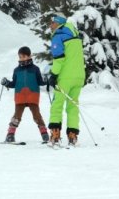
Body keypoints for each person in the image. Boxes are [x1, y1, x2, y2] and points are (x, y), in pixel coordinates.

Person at [47, 15, 86, 146]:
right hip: (79, 76)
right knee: (73, 106)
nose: (50, 26)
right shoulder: (75, 36)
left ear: (58, 24)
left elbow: (59, 59)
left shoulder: (58, 36)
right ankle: (72, 136)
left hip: (65, 77)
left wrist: (53, 74)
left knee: (57, 105)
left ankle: (55, 136)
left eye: (52, 23)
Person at [0, 46, 50, 143]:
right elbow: (14, 84)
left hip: (33, 95)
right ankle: (10, 135)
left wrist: (46, 80)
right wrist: (6, 83)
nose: (21, 59)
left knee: (37, 115)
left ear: (29, 56)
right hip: (20, 96)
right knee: (16, 116)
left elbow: (40, 82)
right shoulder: (17, 70)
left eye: (23, 56)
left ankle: (44, 134)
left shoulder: (35, 69)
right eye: (20, 57)